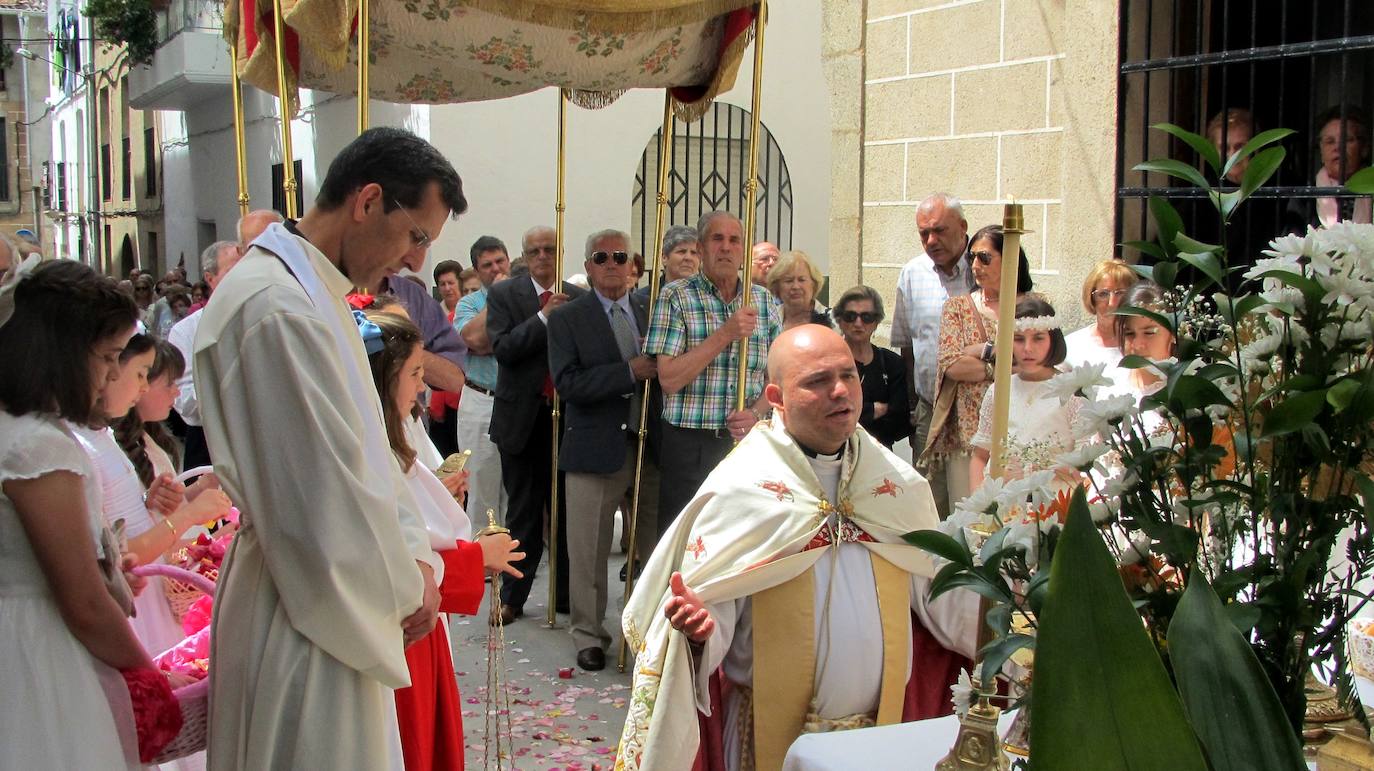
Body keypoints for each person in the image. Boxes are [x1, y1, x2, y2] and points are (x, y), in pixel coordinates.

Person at [194, 127, 465, 770]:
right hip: (309, 608)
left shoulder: (314, 294)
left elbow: (369, 455)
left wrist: (420, 557)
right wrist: (409, 584)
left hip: (328, 596)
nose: (417, 262)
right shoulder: (277, 307)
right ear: (368, 201)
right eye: (417, 236)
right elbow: (320, 502)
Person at [617, 326, 976, 771]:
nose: (840, 391)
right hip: (769, 745)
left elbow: (944, 599)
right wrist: (698, 637)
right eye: (817, 381)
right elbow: (713, 620)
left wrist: (1014, 615)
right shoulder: (741, 492)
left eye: (849, 375)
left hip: (882, 739)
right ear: (776, 396)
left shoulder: (897, 487)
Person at [0, 259, 173, 770]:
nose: (114, 374)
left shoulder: (21, 430)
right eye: (107, 356)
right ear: (61, 355)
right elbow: (82, 601)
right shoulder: (36, 445)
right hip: (40, 649)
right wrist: (149, 677)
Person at [362, 310, 523, 771]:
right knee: (412, 742)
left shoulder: (395, 433)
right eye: (413, 374)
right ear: (382, 380)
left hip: (423, 633)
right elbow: (391, 552)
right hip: (404, 635)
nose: (421, 386)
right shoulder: (371, 452)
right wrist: (475, 560)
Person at [76, 333, 231, 665]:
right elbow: (120, 552)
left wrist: (152, 499)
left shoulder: (100, 438)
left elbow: (122, 517)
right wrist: (188, 515)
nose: (143, 387)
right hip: (139, 603)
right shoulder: (84, 447)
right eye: (140, 374)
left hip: (149, 593)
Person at [548, 229, 658, 672]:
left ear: (634, 265)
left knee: (651, 546)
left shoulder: (655, 310)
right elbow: (567, 383)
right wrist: (627, 371)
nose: (612, 263)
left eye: (620, 256)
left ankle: (642, 628)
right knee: (588, 548)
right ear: (589, 266)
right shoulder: (567, 318)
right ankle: (589, 633)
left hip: (651, 446)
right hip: (595, 447)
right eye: (601, 257)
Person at [645, 211, 781, 533]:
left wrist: (756, 412)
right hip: (690, 445)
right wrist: (726, 333)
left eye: (734, 240)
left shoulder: (761, 301)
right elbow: (669, 379)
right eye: (717, 239)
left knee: (741, 537)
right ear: (702, 248)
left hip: (746, 441)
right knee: (687, 539)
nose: (725, 248)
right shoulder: (676, 297)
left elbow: (779, 375)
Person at [486, 225, 586, 624]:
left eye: (550, 249)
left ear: (560, 252)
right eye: (535, 251)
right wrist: (544, 317)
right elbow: (504, 349)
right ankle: (513, 597)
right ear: (525, 256)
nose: (543, 256)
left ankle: (564, 596)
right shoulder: (504, 294)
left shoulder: (578, 298)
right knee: (524, 514)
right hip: (522, 420)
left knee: (565, 513)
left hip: (567, 420)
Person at [923, 224, 1034, 519]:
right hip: (968, 436)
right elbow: (954, 365)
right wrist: (1001, 361)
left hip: (1024, 431)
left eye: (984, 258)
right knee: (971, 520)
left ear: (1009, 258)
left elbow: (1035, 361)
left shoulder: (1034, 306)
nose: (975, 266)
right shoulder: (957, 308)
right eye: (972, 258)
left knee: (1020, 519)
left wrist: (983, 351)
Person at [889, 193, 975, 472]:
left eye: (939, 231)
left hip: (978, 409)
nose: (931, 241)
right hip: (930, 409)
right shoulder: (913, 273)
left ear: (962, 227)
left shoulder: (985, 269)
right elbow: (907, 347)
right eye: (923, 234)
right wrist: (914, 410)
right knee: (928, 502)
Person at [969, 296, 1083, 489]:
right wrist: (979, 504)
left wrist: (1034, 471)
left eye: (1038, 338)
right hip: (1005, 505)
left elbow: (1086, 462)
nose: (1028, 349)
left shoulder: (1072, 392)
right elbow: (980, 455)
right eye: (1019, 339)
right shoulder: (999, 390)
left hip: (1057, 504)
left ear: (1053, 340)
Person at [169, 240, 244, 471]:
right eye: (234, 271)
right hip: (209, 445)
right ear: (210, 279)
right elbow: (186, 405)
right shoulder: (186, 331)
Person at [454, 236, 511, 531]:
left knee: (513, 487)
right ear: (477, 271)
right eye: (487, 265)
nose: (495, 268)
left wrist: (494, 340)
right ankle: (483, 556)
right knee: (481, 483)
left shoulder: (523, 297)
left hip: (515, 401)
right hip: (481, 400)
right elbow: (472, 339)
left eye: (500, 261)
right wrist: (499, 298)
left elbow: (505, 342)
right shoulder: (469, 303)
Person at [835, 285, 910, 449]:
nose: (858, 323)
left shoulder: (892, 364)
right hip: (836, 453)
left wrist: (857, 413)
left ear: (876, 323)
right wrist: (875, 409)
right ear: (840, 320)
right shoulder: (829, 362)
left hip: (881, 454)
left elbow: (899, 420)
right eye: (850, 316)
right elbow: (828, 413)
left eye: (867, 317)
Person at [1289, 106, 1372, 229]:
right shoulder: (1304, 199)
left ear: (1364, 148)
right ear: (1321, 152)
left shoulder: (1371, 189)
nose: (1337, 148)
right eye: (1329, 141)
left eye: (1347, 140)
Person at [1064, 258, 1137, 369]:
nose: (1112, 303)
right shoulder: (1071, 346)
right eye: (1103, 294)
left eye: (1120, 293)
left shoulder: (1142, 345)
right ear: (1092, 298)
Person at [428, 259, 467, 459]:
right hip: (443, 395)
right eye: (442, 284)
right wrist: (436, 403)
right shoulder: (434, 314)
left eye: (451, 283)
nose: (447, 288)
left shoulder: (465, 313)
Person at [766, 249, 831, 330]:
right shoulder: (767, 321)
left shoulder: (834, 321)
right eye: (789, 280)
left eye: (801, 280)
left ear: (813, 284)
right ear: (777, 286)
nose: (795, 286)